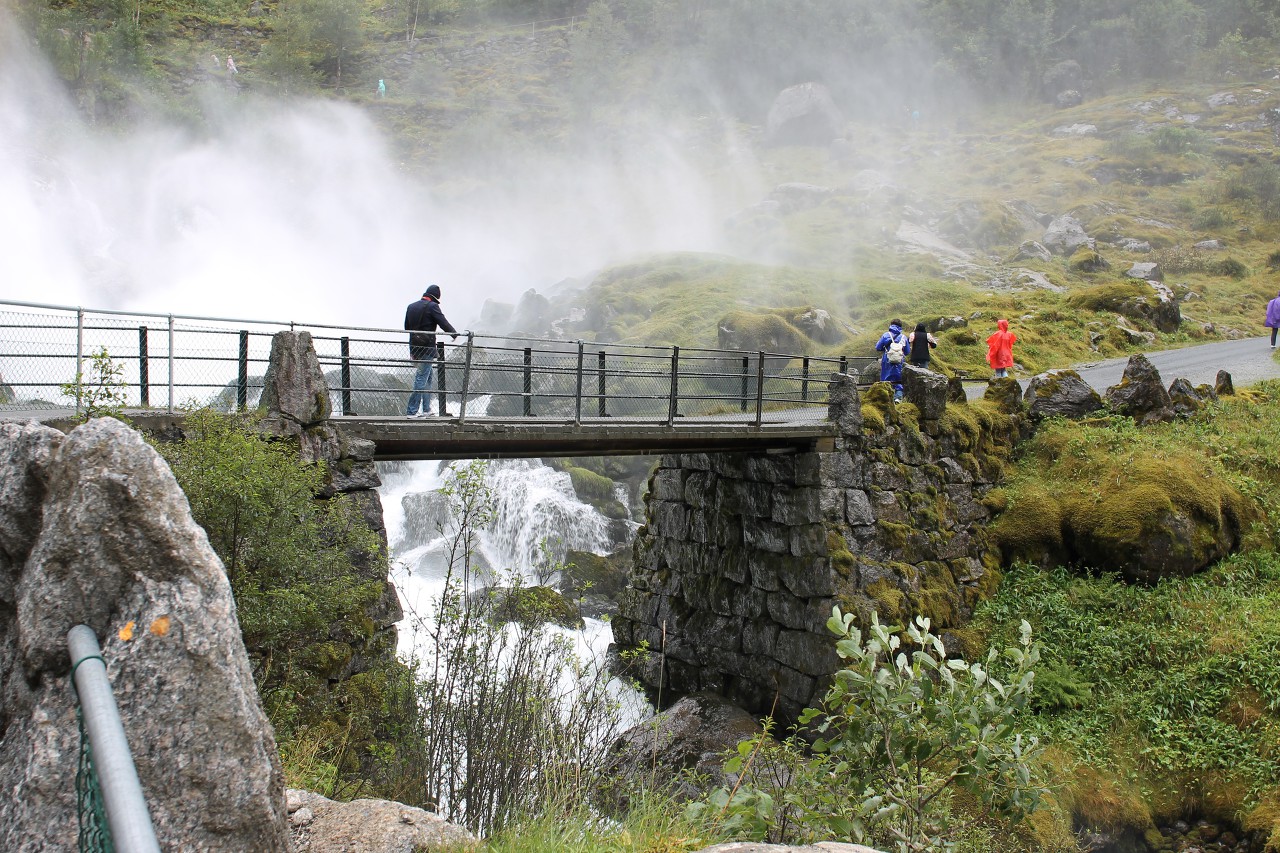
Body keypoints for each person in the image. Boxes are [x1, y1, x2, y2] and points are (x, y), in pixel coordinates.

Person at [405, 284, 458, 417]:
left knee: (428, 378)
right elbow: (443, 322)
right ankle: (412, 411)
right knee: (421, 379)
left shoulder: (411, 307)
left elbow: (407, 328)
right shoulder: (433, 306)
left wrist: (413, 347)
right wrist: (454, 334)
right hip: (427, 348)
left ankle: (427, 409)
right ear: (434, 298)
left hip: (415, 347)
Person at [875, 318, 911, 402]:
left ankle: (885, 398)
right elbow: (907, 351)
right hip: (899, 361)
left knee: (885, 378)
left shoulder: (886, 335)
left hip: (887, 360)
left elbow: (878, 347)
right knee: (898, 379)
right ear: (900, 327)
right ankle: (898, 398)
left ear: (891, 325)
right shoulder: (903, 337)